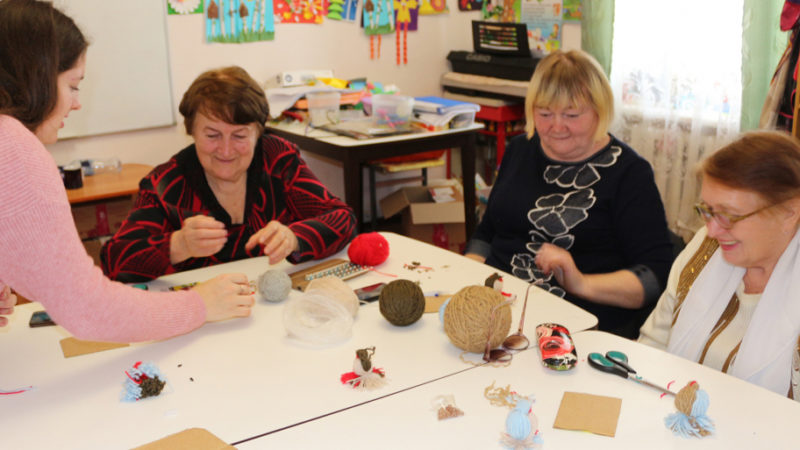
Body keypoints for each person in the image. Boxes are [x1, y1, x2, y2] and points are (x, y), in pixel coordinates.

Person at [0, 0, 254, 340]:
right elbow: (89, 308)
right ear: (38, 77)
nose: (76, 102)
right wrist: (200, 305)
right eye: (72, 85)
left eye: (239, 135)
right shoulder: (13, 147)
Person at [465, 49, 674, 339]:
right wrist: (470, 280)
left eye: (572, 115)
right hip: (500, 310)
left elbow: (654, 278)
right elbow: (486, 233)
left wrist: (580, 282)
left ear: (600, 110)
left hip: (577, 327)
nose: (556, 127)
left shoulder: (629, 173)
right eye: (545, 113)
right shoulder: (520, 150)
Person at [100, 66, 357, 282]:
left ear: (258, 132)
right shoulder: (165, 184)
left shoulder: (277, 159)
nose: (225, 150)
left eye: (239, 135)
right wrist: (178, 245)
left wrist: (295, 237)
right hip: (203, 322)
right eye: (212, 135)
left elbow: (343, 219)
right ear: (192, 131)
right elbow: (114, 260)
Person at [640, 130, 800, 399]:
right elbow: (653, 345)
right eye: (708, 211)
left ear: (789, 214)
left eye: (729, 216)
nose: (712, 230)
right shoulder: (705, 252)